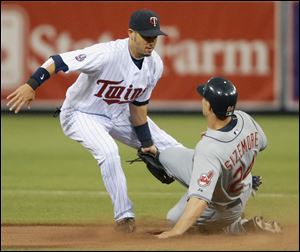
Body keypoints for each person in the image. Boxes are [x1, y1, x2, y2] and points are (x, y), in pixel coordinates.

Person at [6, 9, 183, 233]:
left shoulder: (154, 64)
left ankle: (213, 206)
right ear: (131, 33)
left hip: (119, 114)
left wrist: (147, 143)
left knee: (173, 149)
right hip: (82, 114)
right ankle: (124, 218)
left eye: (154, 37)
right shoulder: (107, 54)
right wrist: (31, 85)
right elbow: (57, 61)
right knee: (108, 151)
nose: (151, 42)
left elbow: (138, 108)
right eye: (146, 36)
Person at [154, 77, 282, 239]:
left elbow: (200, 201)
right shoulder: (244, 118)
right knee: (165, 155)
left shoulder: (208, 149)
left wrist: (175, 231)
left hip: (223, 207)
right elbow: (262, 143)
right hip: (243, 185)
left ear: (209, 106)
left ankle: (237, 227)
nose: (202, 100)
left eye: (204, 98)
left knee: (173, 218)